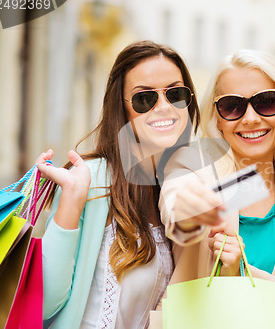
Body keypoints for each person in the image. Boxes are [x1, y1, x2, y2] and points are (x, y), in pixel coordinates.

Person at [35, 41, 200, 329]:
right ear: (121, 109)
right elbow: (45, 302)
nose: (163, 107)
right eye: (144, 99)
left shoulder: (174, 186)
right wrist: (72, 199)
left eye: (175, 94)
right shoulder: (93, 179)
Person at [159, 49, 275, 302]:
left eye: (266, 102)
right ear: (217, 119)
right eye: (232, 107)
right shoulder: (192, 168)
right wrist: (190, 212)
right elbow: (176, 209)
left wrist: (243, 273)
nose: (251, 119)